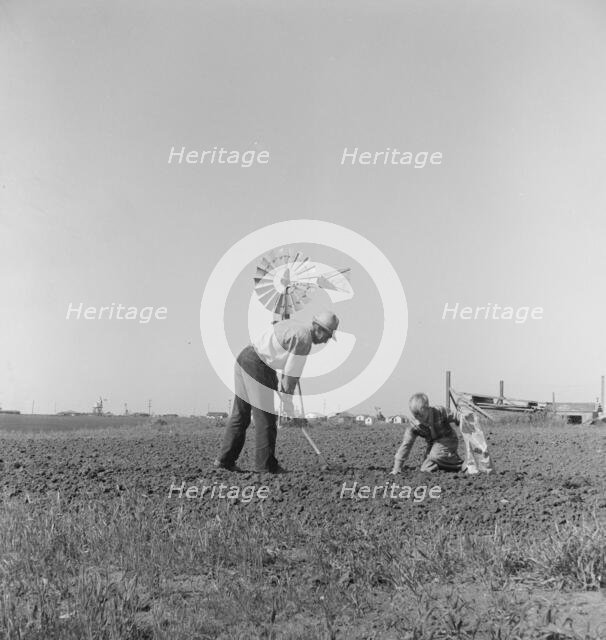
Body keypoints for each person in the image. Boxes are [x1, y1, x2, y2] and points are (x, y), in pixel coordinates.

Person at [214, 310, 339, 473]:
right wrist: (287, 401)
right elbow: (290, 375)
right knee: (266, 418)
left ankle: (225, 461)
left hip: (245, 357)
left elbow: (278, 354)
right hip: (257, 365)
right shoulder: (304, 339)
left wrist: (276, 383)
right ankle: (265, 467)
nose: (325, 341)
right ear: (319, 329)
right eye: (328, 337)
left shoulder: (294, 325)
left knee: (241, 415)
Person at [391, 392, 463, 474]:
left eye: (421, 415)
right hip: (433, 444)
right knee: (425, 469)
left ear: (427, 408)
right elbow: (406, 444)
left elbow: (457, 416)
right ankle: (447, 462)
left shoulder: (439, 411)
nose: (419, 418)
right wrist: (397, 468)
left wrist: (467, 421)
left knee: (435, 455)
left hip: (449, 439)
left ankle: (461, 465)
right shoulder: (413, 426)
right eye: (415, 416)